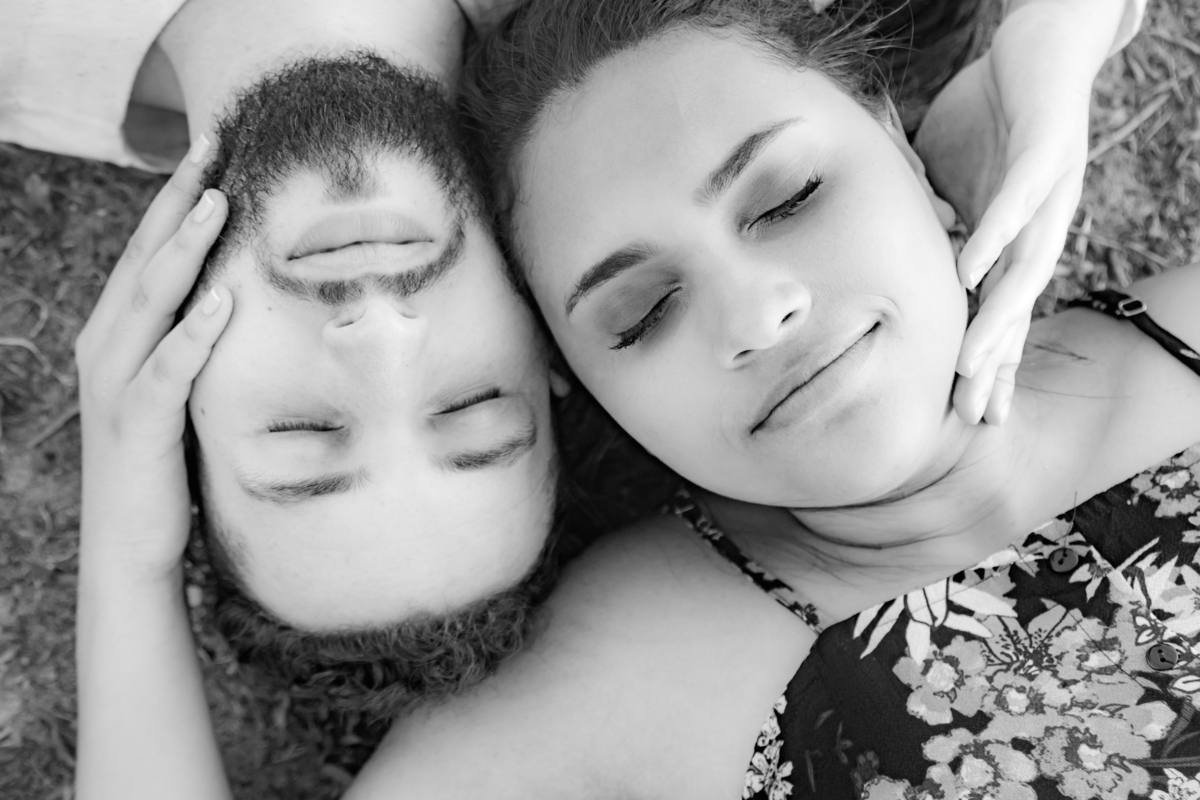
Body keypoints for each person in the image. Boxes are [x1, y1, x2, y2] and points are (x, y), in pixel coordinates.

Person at [71, 1, 1167, 798]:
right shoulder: (639, 660)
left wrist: (124, 537)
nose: (382, 336)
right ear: (555, 359)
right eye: (640, 314)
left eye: (305, 436)